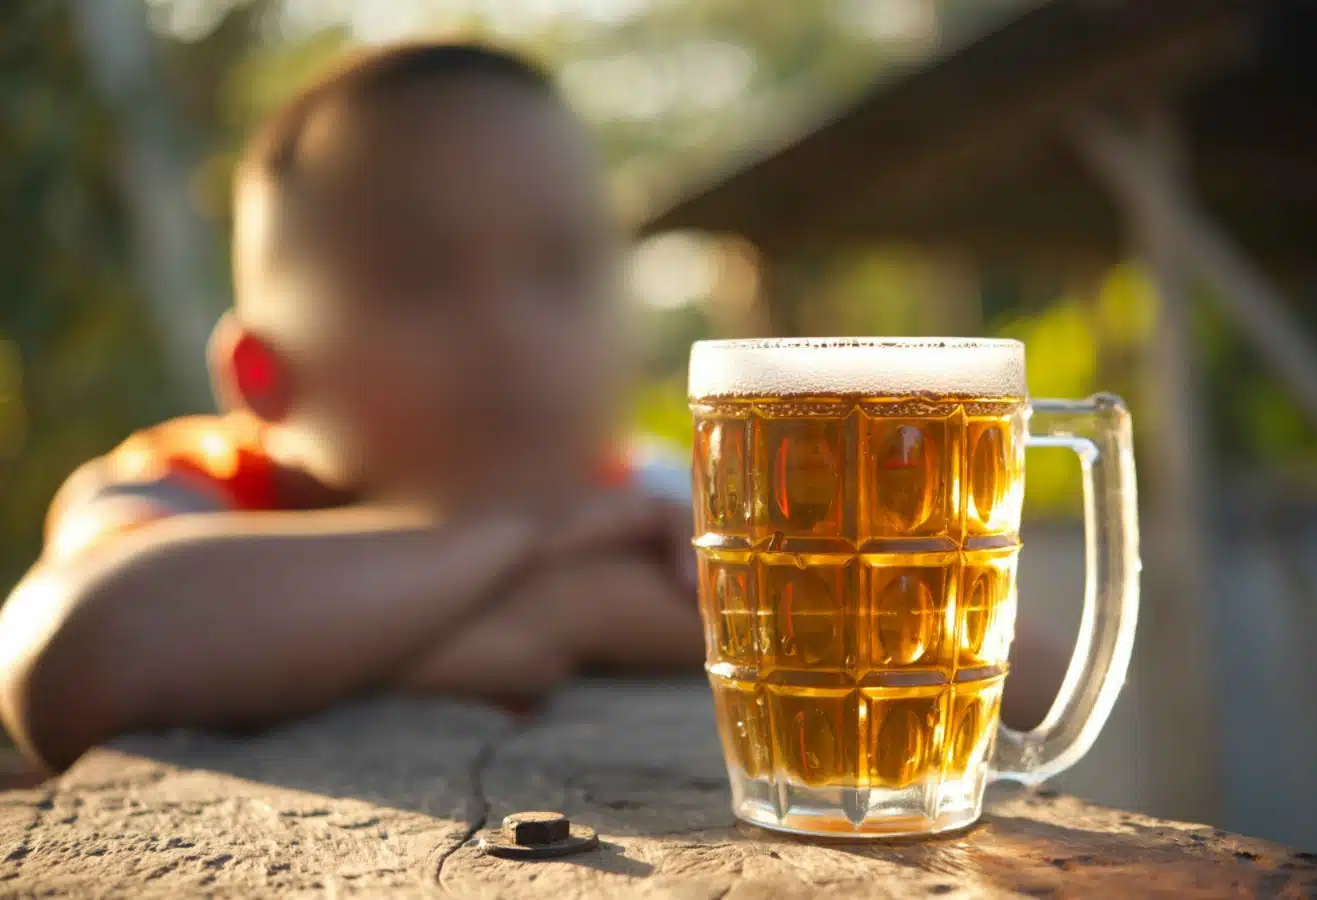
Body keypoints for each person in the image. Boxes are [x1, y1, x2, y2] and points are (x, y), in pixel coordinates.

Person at [0, 41, 1063, 776]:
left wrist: (566, 616)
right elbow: (70, 662)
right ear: (269, 381)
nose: (509, 329)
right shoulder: (196, 490)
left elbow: (1026, 667)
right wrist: (532, 545)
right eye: (421, 276)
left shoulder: (645, 492)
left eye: (563, 268)